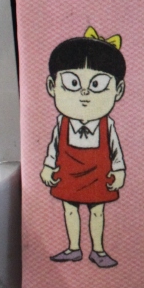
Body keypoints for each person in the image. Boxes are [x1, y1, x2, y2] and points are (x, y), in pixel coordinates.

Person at [39, 27, 126, 269]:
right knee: (70, 210)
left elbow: (115, 151)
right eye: (73, 83)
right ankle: (74, 248)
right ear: (52, 86)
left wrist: (119, 171)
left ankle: (98, 250)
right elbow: (53, 148)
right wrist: (48, 167)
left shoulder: (107, 125)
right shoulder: (62, 123)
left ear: (118, 90)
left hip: (99, 175)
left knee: (97, 212)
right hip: (67, 173)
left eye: (97, 84)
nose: (85, 93)